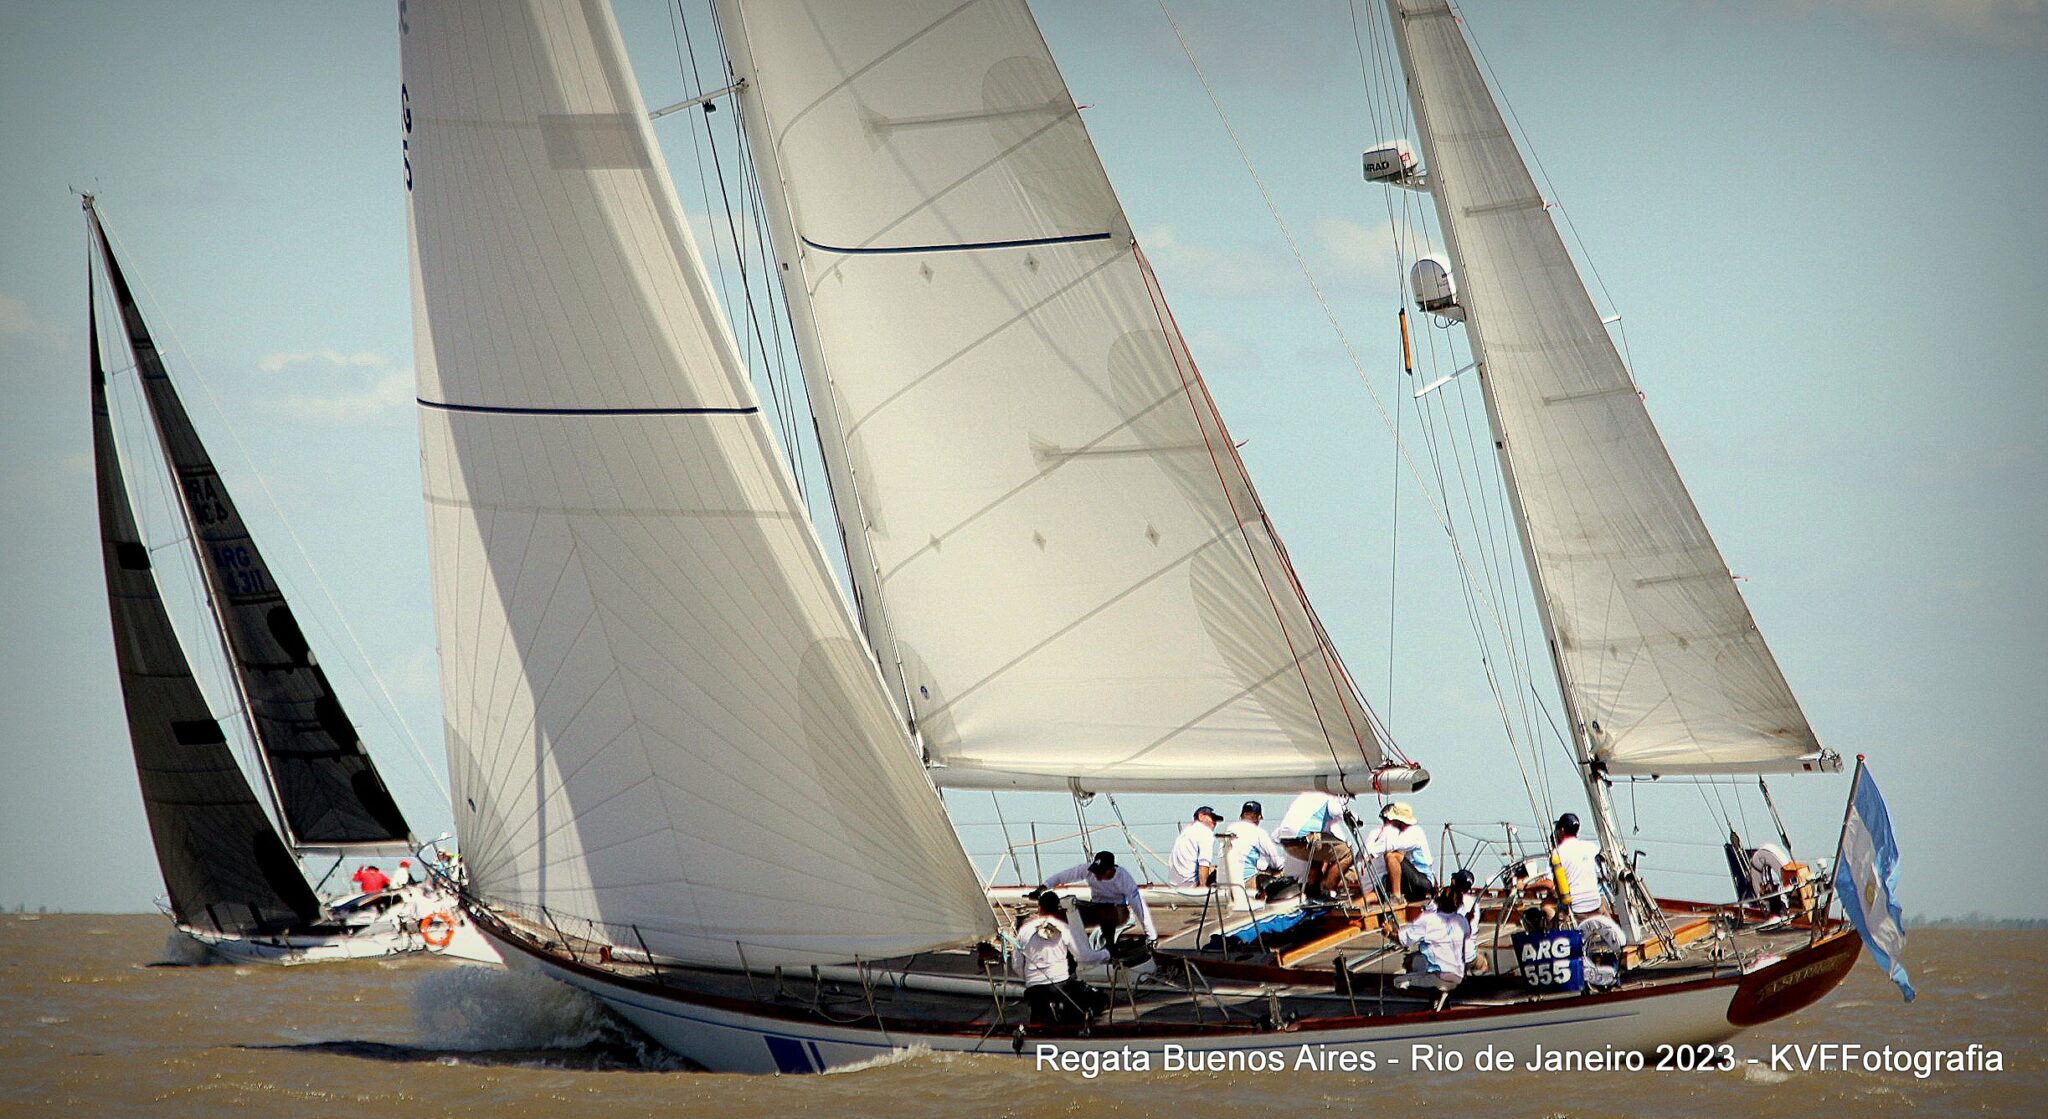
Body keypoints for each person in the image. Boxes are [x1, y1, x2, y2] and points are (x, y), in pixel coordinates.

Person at [1012, 891, 1111, 1027]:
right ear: (1058, 908)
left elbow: (1016, 964)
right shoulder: (1064, 928)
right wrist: (1105, 954)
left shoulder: (1024, 931)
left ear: (1039, 907)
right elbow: (1083, 956)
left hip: (1034, 988)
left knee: (1038, 1016)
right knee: (1083, 1004)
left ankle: (1037, 1028)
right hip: (1061, 984)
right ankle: (1073, 1026)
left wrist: (1029, 979)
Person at [1036, 851, 1158, 941]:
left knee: (1106, 913)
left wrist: (1151, 936)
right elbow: (1061, 877)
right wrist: (1041, 889)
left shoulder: (1124, 878)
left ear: (1111, 869)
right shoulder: (1087, 870)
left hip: (1117, 911)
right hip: (1096, 906)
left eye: (1101, 872)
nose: (1097, 875)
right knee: (1068, 910)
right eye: (1096, 871)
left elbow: (1139, 906)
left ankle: (1109, 949)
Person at [1274, 792, 1357, 900]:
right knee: (1347, 853)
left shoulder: (1305, 796)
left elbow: (1275, 836)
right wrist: (1355, 819)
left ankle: (1312, 892)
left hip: (1287, 844)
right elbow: (1339, 812)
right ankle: (1327, 891)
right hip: (1306, 839)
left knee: (1318, 855)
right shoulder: (1330, 798)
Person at [1396, 883, 1471, 997]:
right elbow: (1466, 934)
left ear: (1438, 901)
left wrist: (1388, 932)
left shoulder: (1429, 919)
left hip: (1440, 977)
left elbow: (1403, 940)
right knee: (1420, 963)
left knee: (1398, 982)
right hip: (1458, 976)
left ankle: (1430, 998)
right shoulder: (1462, 920)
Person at [1362, 803, 1433, 902]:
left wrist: (1371, 854)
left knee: (1392, 856)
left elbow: (1393, 845)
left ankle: (1396, 897)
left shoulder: (1415, 832)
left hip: (1422, 882)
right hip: (1408, 880)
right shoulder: (1401, 833)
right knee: (1376, 893)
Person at [1214, 801, 1285, 892]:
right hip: (1243, 883)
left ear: (1241, 816)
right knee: (1280, 873)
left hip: (1222, 883)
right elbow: (1276, 863)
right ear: (1258, 817)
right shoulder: (1258, 832)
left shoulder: (1229, 829)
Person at [1549, 813, 1607, 918]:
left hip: (1576, 909)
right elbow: (1601, 875)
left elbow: (1553, 884)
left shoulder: (1557, 853)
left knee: (1548, 909)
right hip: (1595, 904)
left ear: (1561, 830)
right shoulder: (1592, 848)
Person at [1168, 806, 1221, 887]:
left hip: (1176, 884)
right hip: (1192, 884)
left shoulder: (1186, 831)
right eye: (1212, 819)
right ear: (1201, 816)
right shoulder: (1205, 832)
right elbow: (1203, 863)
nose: (1214, 823)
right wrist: (1203, 887)